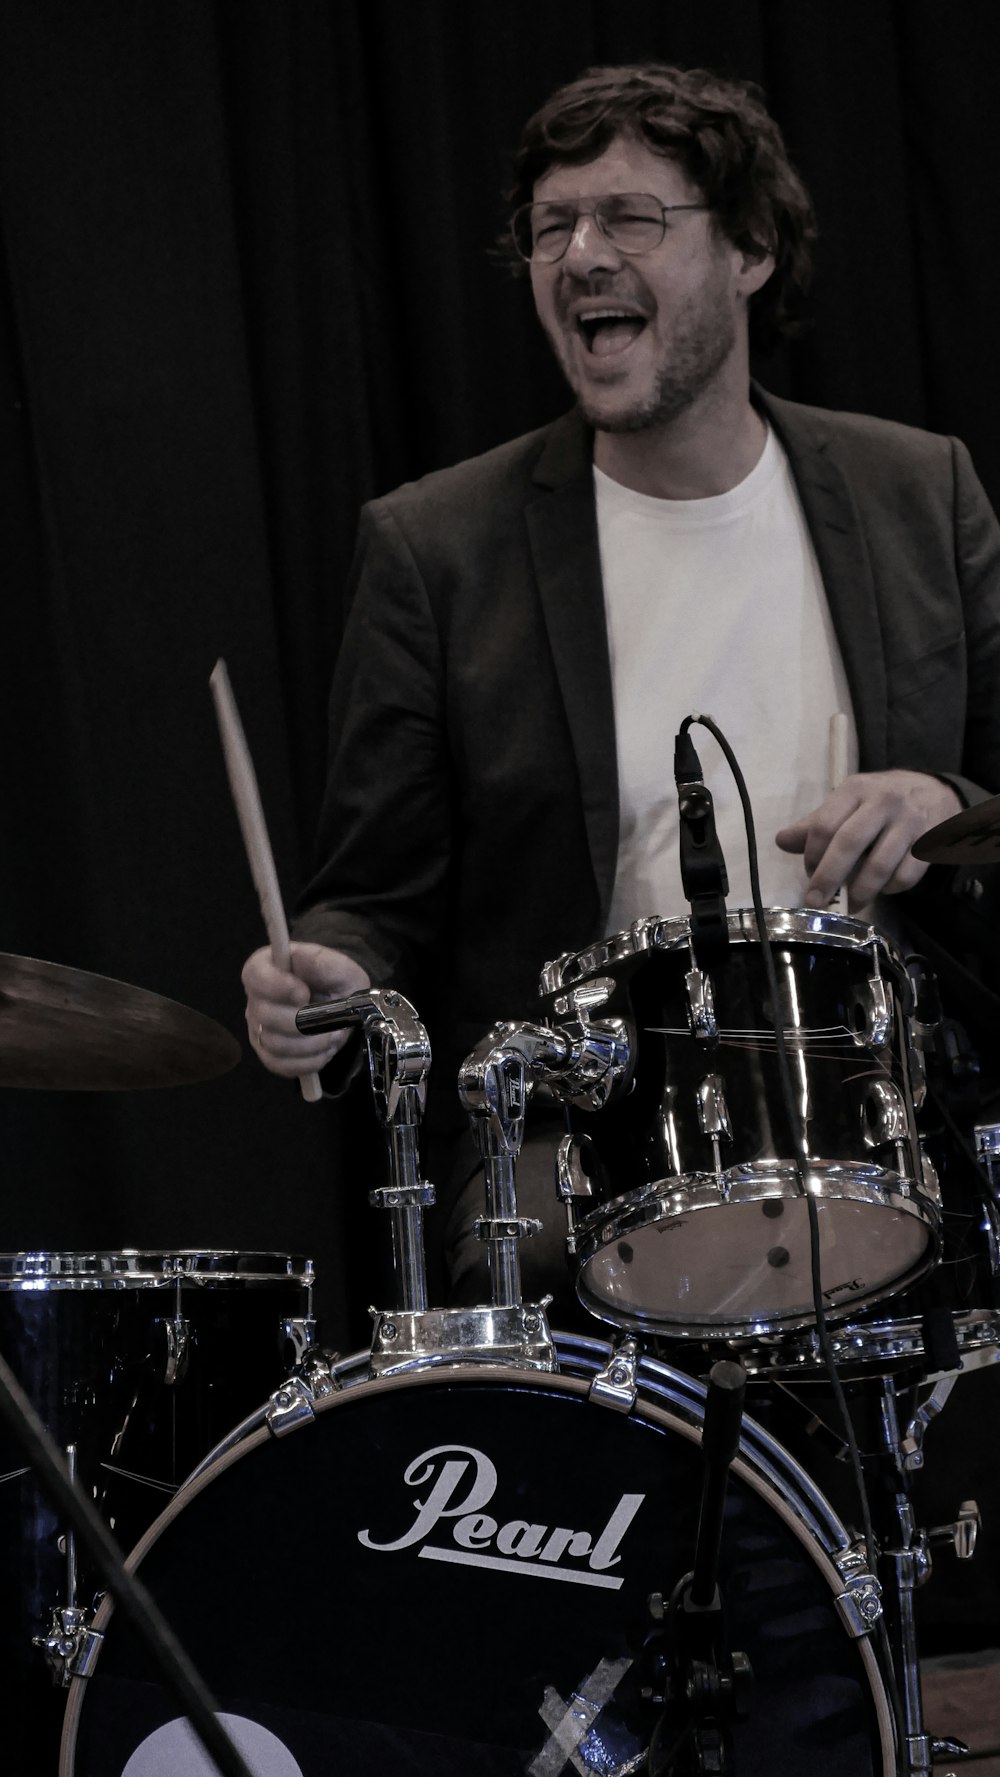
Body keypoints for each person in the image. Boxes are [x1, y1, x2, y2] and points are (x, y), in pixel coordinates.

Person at [242, 63, 1000, 1319]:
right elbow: (375, 898)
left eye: (629, 219)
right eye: (552, 228)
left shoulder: (918, 493)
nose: (580, 254)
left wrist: (941, 800)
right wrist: (327, 974)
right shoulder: (437, 549)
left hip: (894, 1126)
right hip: (578, 1161)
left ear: (750, 248)